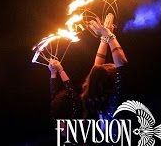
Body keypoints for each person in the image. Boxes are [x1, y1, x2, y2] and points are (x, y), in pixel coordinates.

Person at [48, 15, 128, 144]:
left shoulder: (96, 99)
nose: (59, 127)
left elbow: (97, 69)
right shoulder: (115, 101)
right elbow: (122, 65)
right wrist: (109, 36)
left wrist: (105, 38)